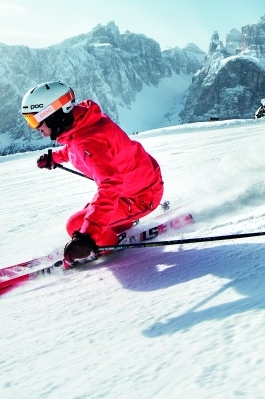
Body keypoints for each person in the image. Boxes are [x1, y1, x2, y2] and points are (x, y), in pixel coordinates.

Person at [20, 81, 165, 268]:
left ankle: (102, 247)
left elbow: (109, 183)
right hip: (139, 185)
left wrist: (87, 238)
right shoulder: (82, 124)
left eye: (33, 120)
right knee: (86, 218)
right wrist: (55, 158)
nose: (34, 128)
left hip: (140, 197)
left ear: (52, 115)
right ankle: (117, 227)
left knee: (76, 225)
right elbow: (77, 150)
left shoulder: (86, 140)